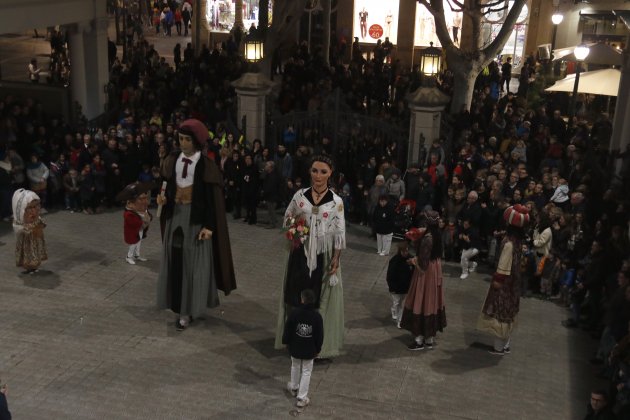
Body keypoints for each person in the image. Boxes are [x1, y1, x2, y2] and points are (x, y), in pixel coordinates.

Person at [157, 119, 236, 331]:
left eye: (187, 140)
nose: (183, 143)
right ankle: (177, 306)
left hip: (195, 221)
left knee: (193, 267)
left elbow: (213, 202)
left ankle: (188, 310)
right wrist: (163, 199)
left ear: (197, 141)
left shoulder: (206, 166)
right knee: (175, 261)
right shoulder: (172, 160)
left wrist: (209, 226)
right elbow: (165, 184)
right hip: (176, 217)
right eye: (180, 139)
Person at [275, 155, 346, 359]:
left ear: (330, 173)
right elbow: (287, 217)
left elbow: (339, 233)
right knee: (295, 296)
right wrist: (295, 226)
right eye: (315, 170)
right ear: (309, 172)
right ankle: (295, 339)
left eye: (323, 171)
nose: (318, 175)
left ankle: (317, 345)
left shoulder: (336, 202)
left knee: (318, 300)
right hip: (299, 254)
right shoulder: (299, 196)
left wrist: (336, 258)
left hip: (322, 256)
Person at [477, 204, 529, 355]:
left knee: (500, 313)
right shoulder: (519, 241)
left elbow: (503, 264)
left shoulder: (509, 243)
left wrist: (498, 280)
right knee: (509, 312)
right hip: (514, 282)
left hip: (505, 283)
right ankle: (505, 345)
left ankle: (498, 347)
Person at [400, 210, 446, 350]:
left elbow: (423, 263)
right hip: (435, 269)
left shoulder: (428, 238)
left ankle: (419, 340)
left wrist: (413, 260)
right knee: (431, 301)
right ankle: (429, 339)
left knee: (421, 300)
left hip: (425, 274)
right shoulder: (437, 235)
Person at [282, 289, 324, 409]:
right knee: (306, 371)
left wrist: (285, 341)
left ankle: (294, 387)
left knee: (295, 365)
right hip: (309, 349)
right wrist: (318, 348)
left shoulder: (295, 313)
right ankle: (302, 397)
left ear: (302, 299)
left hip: (295, 346)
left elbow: (288, 329)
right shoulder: (317, 317)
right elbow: (319, 335)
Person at [12, 189, 47, 274]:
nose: (34, 210)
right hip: (26, 239)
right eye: (30, 207)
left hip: (34, 238)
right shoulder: (21, 220)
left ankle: (34, 267)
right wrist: (27, 227)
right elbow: (20, 227)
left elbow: (40, 223)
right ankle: (28, 267)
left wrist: (38, 225)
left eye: (36, 206)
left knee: (34, 251)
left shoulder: (36, 216)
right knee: (26, 252)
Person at [119, 182, 152, 265]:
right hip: (133, 228)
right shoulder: (131, 204)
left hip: (140, 227)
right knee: (133, 242)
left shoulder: (141, 198)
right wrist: (141, 220)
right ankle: (129, 257)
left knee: (139, 241)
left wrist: (146, 214)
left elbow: (144, 207)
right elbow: (130, 217)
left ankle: (137, 255)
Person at [387, 242, 415, 328]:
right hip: (396, 288)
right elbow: (390, 275)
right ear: (400, 251)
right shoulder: (394, 261)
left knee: (403, 305)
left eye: (407, 251)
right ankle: (394, 311)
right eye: (404, 251)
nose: (406, 253)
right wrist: (392, 288)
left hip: (406, 288)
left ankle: (400, 321)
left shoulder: (411, 259)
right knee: (397, 303)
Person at [262, 160, 281, 229]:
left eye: (267, 165)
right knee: (271, 210)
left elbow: (270, 187)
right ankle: (273, 221)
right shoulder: (269, 174)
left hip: (272, 196)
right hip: (271, 195)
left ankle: (272, 224)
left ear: (270, 167)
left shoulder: (273, 176)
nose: (265, 166)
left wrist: (264, 193)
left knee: (271, 210)